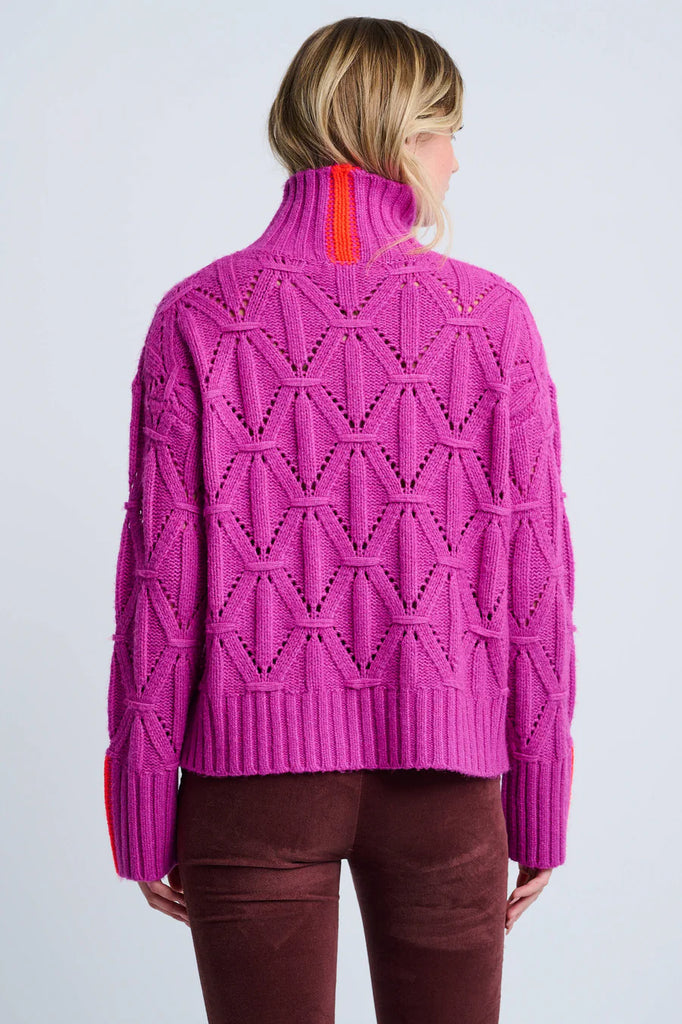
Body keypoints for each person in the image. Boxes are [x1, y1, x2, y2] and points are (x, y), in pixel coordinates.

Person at [103, 16, 577, 1024]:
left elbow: (159, 589)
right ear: (399, 134)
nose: (456, 159)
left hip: (249, 784)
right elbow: (534, 580)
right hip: (449, 784)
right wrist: (540, 799)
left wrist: (143, 812)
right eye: (446, 130)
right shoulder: (492, 319)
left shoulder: (198, 315)